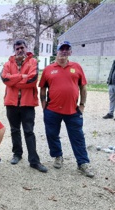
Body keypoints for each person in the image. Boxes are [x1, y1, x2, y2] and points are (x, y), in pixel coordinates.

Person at [39, 41, 94, 178]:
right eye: (61, 49)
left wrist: (82, 105)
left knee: (78, 137)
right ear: (56, 51)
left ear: (70, 52)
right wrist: (44, 105)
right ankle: (58, 156)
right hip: (52, 110)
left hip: (73, 111)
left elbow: (83, 87)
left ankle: (82, 163)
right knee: (52, 135)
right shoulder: (48, 69)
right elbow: (42, 88)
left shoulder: (77, 67)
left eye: (66, 49)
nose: (64, 51)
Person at [1, 39, 47, 173]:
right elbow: (5, 79)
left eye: (22, 47)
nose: (20, 50)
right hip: (11, 103)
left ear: (26, 48)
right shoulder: (8, 63)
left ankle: (34, 160)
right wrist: (22, 76)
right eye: (17, 48)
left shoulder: (33, 62)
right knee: (14, 130)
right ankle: (17, 154)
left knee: (29, 132)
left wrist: (14, 80)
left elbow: (32, 80)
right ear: (14, 50)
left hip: (27, 103)